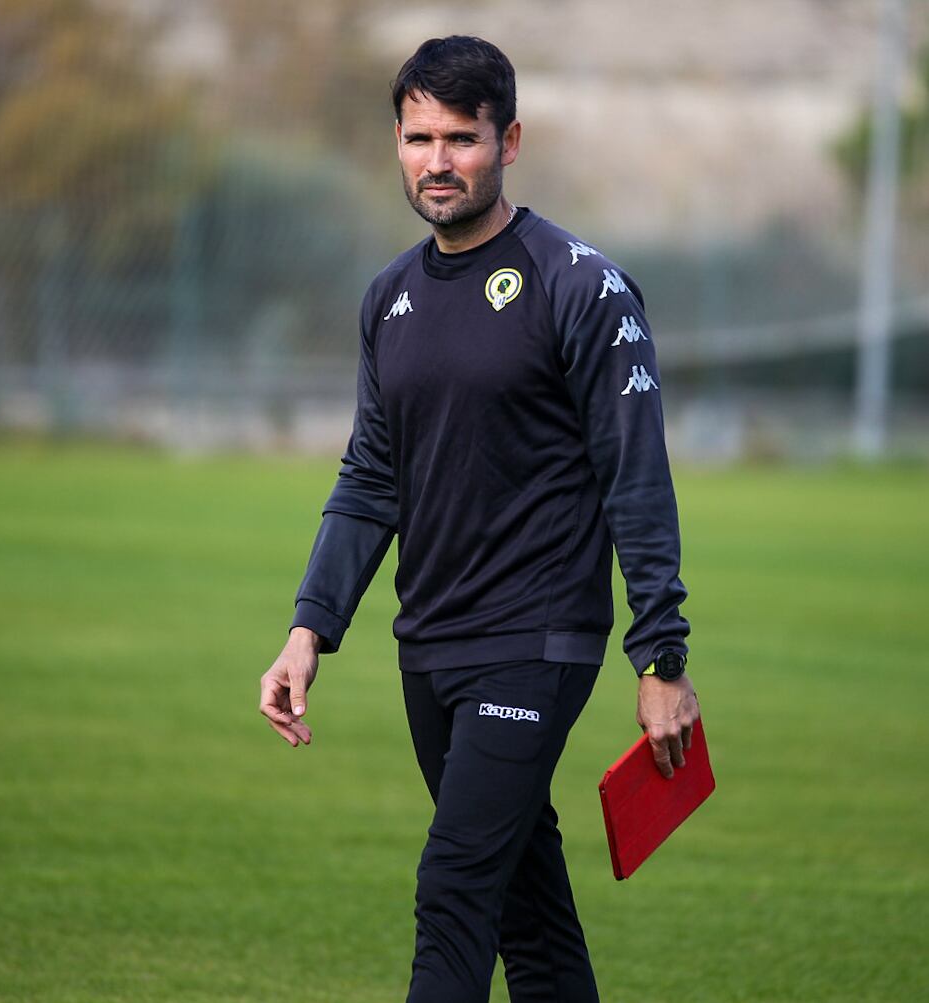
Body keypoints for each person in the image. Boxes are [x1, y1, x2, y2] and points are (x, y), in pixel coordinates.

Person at [258, 35, 699, 1003]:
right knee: (525, 914)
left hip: (537, 641)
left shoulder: (582, 286)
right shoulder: (390, 298)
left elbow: (637, 482)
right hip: (429, 645)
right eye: (418, 137)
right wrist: (308, 631)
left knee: (452, 886)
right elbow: (373, 474)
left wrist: (661, 661)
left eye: (462, 137)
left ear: (509, 142)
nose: (437, 160)